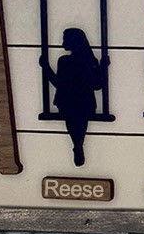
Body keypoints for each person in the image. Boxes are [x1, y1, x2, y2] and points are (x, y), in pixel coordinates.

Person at [39, 28, 109, 168]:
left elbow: (58, 83)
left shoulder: (65, 61)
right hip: (82, 103)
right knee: (78, 115)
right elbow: (97, 85)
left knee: (73, 115)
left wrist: (46, 68)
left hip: (70, 102)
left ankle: (77, 145)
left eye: (65, 39)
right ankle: (78, 145)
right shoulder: (89, 61)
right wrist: (103, 67)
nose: (62, 43)